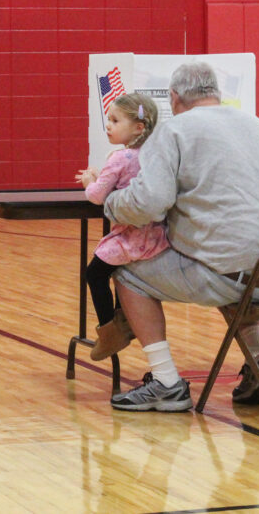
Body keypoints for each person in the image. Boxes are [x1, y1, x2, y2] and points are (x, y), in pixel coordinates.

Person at [104, 62, 259, 412]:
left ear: (174, 97)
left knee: (127, 273)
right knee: (229, 261)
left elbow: (148, 205)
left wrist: (112, 203)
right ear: (216, 93)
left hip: (236, 275)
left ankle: (167, 383)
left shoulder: (173, 131)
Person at [76, 93, 169, 361]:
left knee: (95, 274)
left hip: (130, 235)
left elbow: (96, 195)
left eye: (115, 120)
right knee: (121, 274)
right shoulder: (155, 156)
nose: (108, 125)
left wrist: (89, 181)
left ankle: (111, 330)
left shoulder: (119, 158)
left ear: (138, 128)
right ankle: (124, 321)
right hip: (155, 236)